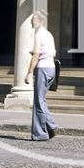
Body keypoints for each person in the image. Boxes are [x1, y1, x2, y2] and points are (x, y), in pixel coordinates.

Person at [24, 11, 59, 141]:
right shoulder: (49, 34)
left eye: (33, 19)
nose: (31, 21)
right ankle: (45, 130)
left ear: (40, 21)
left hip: (43, 68)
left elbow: (36, 55)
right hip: (51, 68)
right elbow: (53, 53)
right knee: (41, 100)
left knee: (38, 101)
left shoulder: (38, 34)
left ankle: (47, 129)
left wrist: (28, 73)